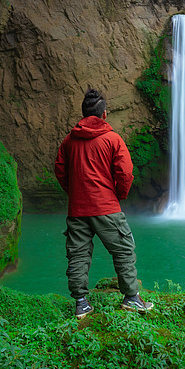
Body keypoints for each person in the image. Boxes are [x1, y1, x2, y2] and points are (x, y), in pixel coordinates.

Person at [55, 88, 153, 319]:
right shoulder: (112, 139)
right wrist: (118, 193)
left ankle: (81, 303)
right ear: (104, 114)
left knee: (78, 254)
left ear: (83, 114)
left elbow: (60, 169)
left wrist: (75, 192)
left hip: (77, 209)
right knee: (124, 250)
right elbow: (125, 173)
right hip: (106, 206)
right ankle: (131, 299)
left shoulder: (69, 140)